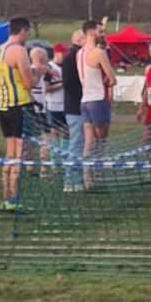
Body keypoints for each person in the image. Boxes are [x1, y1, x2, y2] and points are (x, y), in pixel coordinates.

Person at [0, 17, 34, 211]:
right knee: (18, 153)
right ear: (23, 31)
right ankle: (14, 198)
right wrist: (40, 72)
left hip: (3, 106)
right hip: (19, 105)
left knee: (10, 152)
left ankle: (6, 197)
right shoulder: (19, 50)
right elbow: (28, 82)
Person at [78, 20, 115, 189]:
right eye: (100, 31)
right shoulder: (99, 52)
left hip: (85, 100)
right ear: (92, 32)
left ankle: (87, 178)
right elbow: (112, 78)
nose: (102, 33)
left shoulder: (79, 53)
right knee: (101, 142)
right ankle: (99, 175)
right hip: (98, 99)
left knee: (88, 142)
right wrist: (109, 79)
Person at [61, 29, 86, 192]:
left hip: (76, 106)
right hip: (75, 107)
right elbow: (69, 83)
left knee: (79, 142)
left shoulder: (75, 55)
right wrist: (83, 96)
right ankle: (71, 180)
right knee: (76, 143)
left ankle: (78, 178)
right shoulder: (72, 57)